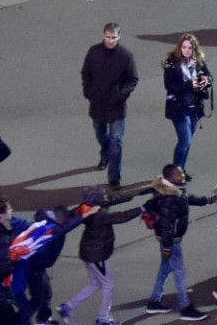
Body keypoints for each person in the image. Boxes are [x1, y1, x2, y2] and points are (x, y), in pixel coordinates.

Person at [58, 186, 142, 325]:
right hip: (96, 256)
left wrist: (138, 192)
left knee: (95, 284)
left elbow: (113, 200)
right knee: (109, 285)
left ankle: (67, 307)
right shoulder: (99, 215)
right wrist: (141, 209)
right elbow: (121, 217)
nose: (104, 198)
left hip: (88, 252)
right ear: (96, 201)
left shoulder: (83, 208)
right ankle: (103, 319)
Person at [80, 22, 138, 189]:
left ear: (119, 37)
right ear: (103, 35)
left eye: (114, 37)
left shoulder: (126, 56)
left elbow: (132, 79)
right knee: (100, 135)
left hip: (116, 106)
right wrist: (88, 91)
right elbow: (86, 73)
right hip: (97, 103)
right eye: (108, 37)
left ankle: (114, 176)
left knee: (116, 141)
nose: (110, 40)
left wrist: (121, 94)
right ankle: (105, 154)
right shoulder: (94, 52)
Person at [163, 34, 211, 171]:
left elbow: (210, 76)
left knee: (187, 142)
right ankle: (176, 172)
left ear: (194, 49)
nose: (187, 50)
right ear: (179, 48)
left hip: (194, 108)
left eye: (190, 48)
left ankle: (181, 170)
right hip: (179, 108)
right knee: (185, 140)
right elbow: (170, 86)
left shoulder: (198, 61)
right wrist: (190, 85)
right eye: (184, 47)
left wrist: (206, 81)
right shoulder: (171, 63)